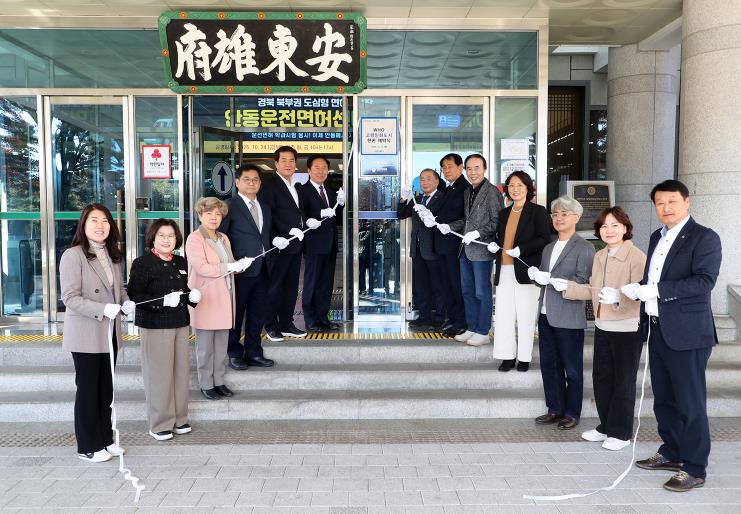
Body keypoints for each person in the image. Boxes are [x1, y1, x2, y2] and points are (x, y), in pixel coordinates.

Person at [625, 180, 721, 492]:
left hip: (688, 333)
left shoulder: (704, 237)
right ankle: (672, 451)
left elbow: (704, 281)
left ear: (687, 202)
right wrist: (638, 290)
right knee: (664, 398)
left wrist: (656, 290)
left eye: (672, 201)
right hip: (658, 328)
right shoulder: (657, 236)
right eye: (659, 203)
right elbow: (653, 277)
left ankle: (694, 467)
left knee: (689, 403)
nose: (665, 208)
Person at [555, 206, 646, 450]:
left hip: (627, 327)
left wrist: (619, 297)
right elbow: (594, 290)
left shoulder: (636, 256)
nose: (609, 230)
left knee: (623, 381)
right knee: (602, 378)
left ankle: (621, 433)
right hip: (602, 325)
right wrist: (567, 287)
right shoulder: (600, 256)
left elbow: (641, 293)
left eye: (615, 225)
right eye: (604, 226)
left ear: (625, 228)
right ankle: (606, 426)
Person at [59, 203, 134, 462]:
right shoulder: (73, 255)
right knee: (89, 390)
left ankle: (105, 439)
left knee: (106, 389)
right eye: (94, 220)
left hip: (109, 332)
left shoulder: (111, 254)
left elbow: (118, 290)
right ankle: (88, 446)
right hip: (86, 333)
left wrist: (126, 302)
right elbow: (70, 297)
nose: (100, 225)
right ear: (83, 224)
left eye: (105, 220)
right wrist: (103, 308)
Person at [127, 219, 199, 441]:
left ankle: (180, 418)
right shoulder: (142, 263)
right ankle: (160, 423)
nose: (167, 240)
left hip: (180, 322)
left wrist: (192, 297)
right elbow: (135, 295)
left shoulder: (180, 261)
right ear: (153, 238)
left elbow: (182, 289)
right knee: (159, 375)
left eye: (171, 236)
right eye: (162, 235)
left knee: (180, 373)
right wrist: (161, 302)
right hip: (155, 325)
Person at [529, 196, 595, 431]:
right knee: (549, 365)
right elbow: (544, 279)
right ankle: (554, 409)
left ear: (576, 217)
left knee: (572, 369)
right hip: (546, 313)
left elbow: (583, 280)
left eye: (564, 214)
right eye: (555, 214)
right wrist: (537, 277)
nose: (558, 218)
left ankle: (572, 412)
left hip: (569, 315)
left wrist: (554, 279)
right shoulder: (549, 247)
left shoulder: (585, 247)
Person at [185, 197, 250, 401]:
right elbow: (202, 267)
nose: (214, 217)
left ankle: (219, 381)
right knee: (205, 347)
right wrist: (229, 267)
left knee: (221, 345)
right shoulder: (195, 239)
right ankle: (206, 383)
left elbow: (228, 264)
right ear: (200, 215)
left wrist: (239, 265)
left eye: (217, 214)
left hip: (225, 297)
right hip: (206, 298)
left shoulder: (223, 238)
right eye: (209, 213)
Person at [436, 153, 503, 347]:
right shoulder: (468, 192)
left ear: (484, 169)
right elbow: (466, 220)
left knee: (482, 292)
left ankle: (483, 331)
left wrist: (478, 233)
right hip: (465, 249)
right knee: (467, 291)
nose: (473, 172)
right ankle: (472, 327)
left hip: (481, 250)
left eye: (477, 168)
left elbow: (497, 221)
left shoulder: (492, 192)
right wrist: (450, 226)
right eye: (470, 168)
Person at [491, 171, 551, 371]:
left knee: (526, 315)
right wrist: (494, 246)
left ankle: (524, 358)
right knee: (503, 315)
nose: (515, 189)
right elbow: (500, 239)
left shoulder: (538, 211)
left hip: (526, 270)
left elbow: (544, 238)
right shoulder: (504, 213)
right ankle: (506, 356)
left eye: (519, 185)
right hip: (504, 270)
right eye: (511, 185)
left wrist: (522, 249)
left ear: (527, 188)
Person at [258, 145, 318, 341]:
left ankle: (286, 323)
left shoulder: (295, 185)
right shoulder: (269, 186)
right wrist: (276, 236)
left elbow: (299, 212)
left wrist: (306, 221)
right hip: (279, 245)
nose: (288, 164)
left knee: (291, 287)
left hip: (294, 245)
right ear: (276, 163)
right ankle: (270, 325)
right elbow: (267, 216)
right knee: (274, 287)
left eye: (292, 160)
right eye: (283, 160)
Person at [219, 164, 275, 370]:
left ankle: (254, 352)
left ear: (260, 183)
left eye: (255, 180)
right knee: (236, 313)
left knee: (257, 313)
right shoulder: (229, 206)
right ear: (237, 182)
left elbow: (265, 235)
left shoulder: (264, 207)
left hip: (263, 268)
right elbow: (221, 237)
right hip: (240, 270)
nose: (251, 183)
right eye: (247, 179)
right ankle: (234, 352)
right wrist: (231, 263)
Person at [297, 154, 344, 332]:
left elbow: (335, 217)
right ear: (309, 170)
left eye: (324, 168)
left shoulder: (329, 191)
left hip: (330, 245)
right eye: (317, 168)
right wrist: (316, 216)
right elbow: (301, 213)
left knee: (326, 283)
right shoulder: (302, 190)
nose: (321, 171)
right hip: (313, 244)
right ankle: (311, 320)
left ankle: (323, 318)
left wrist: (341, 204)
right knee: (312, 282)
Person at [398, 168, 446, 330]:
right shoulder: (416, 199)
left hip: (433, 248)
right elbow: (401, 214)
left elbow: (444, 220)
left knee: (438, 285)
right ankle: (424, 316)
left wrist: (430, 215)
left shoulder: (442, 198)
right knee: (421, 285)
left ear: (437, 181)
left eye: (429, 179)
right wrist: (404, 198)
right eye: (422, 179)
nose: (425, 182)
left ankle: (440, 317)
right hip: (417, 248)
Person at [429, 153, 469, 337]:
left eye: (450, 166)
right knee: (447, 286)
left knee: (456, 286)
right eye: (444, 168)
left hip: (454, 246)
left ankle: (460, 322)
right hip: (443, 246)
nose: (446, 170)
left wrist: (436, 219)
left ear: (460, 168)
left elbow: (459, 215)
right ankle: (452, 319)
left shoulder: (464, 188)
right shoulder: (450, 188)